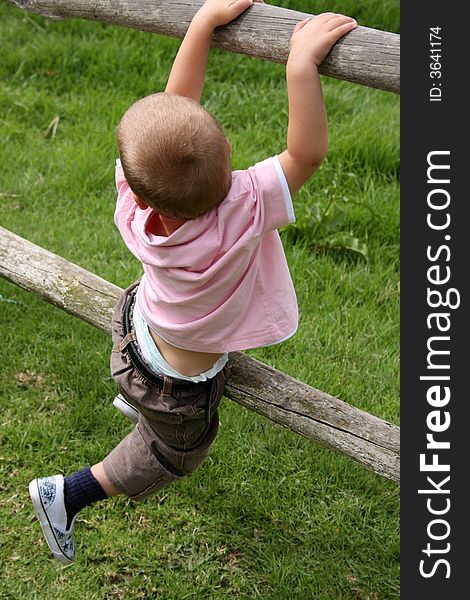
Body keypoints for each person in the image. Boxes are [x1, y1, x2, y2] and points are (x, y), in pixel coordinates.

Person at [29, 0, 357, 564]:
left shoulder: (135, 200)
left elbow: (173, 109)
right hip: (177, 387)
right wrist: (300, 68)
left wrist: (202, 21)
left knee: (154, 363)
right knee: (174, 455)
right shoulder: (247, 206)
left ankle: (135, 399)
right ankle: (68, 494)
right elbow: (307, 153)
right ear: (230, 153)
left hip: (134, 324)